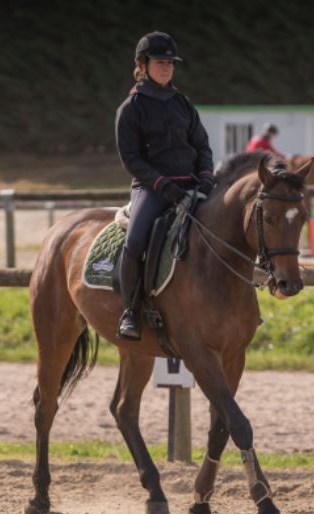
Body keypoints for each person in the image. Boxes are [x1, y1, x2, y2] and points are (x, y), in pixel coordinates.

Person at [115, 30, 215, 339]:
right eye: (160, 62)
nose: (167, 67)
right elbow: (131, 158)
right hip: (152, 188)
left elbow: (202, 145)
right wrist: (162, 184)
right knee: (134, 241)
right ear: (142, 65)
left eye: (170, 63)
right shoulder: (131, 108)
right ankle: (130, 310)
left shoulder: (183, 104)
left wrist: (208, 175)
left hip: (192, 185)